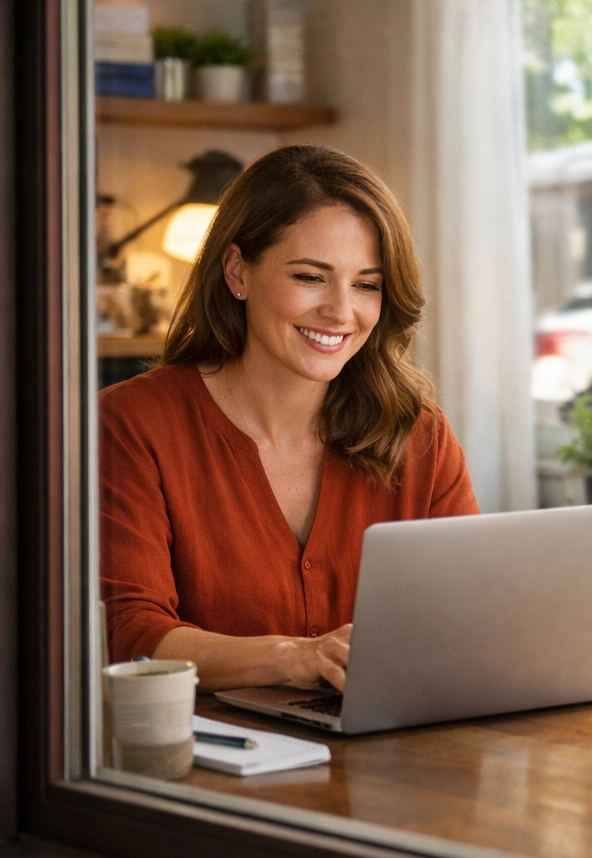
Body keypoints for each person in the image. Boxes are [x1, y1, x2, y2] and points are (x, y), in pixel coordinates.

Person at [100, 145, 478, 692]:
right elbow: (128, 633)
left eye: (367, 284)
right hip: (199, 764)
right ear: (238, 273)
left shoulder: (420, 435)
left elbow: (470, 617)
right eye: (310, 277)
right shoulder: (132, 425)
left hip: (389, 758)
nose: (342, 311)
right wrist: (294, 659)